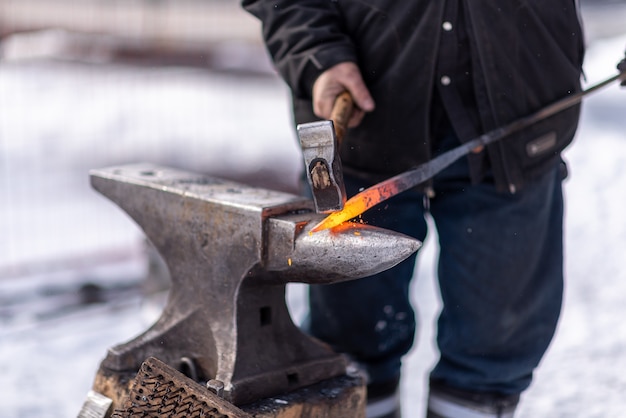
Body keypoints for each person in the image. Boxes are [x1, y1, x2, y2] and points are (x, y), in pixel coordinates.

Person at [242, 1, 585, 417]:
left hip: (520, 113)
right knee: (355, 340)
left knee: (494, 342)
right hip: (367, 127)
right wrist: (317, 54)